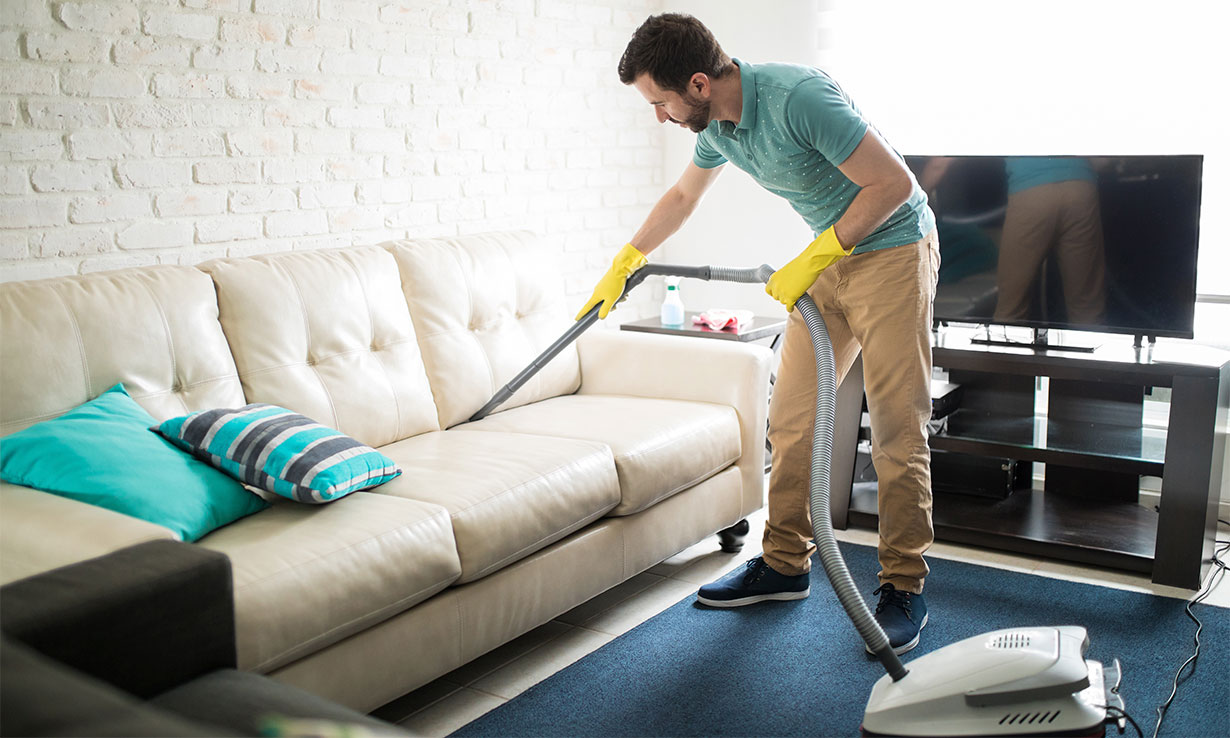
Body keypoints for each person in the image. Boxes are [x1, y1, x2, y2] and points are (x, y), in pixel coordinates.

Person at [576, 13, 939, 655]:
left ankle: (903, 587)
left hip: (893, 249)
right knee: (792, 419)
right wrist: (626, 260)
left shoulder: (798, 97)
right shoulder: (716, 126)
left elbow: (893, 184)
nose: (659, 116)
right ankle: (784, 565)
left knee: (894, 428)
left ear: (696, 83)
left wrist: (814, 256)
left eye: (660, 103)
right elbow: (684, 198)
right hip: (829, 257)